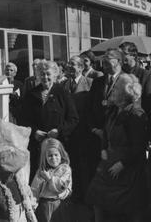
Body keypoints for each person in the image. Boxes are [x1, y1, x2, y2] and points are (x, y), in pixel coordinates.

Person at [86, 73, 148, 222]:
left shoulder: (135, 114)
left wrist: (122, 164)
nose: (112, 92)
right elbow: (106, 133)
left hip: (127, 168)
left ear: (124, 94)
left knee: (123, 208)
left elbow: (139, 146)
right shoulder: (113, 111)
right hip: (109, 162)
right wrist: (103, 149)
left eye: (115, 90)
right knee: (96, 197)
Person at [20, 60, 79, 179]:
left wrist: (59, 131)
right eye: (42, 74)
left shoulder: (62, 92)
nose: (45, 77)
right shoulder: (31, 94)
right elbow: (23, 119)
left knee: (58, 179)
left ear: (55, 74)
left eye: (48, 74)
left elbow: (73, 119)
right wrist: (34, 131)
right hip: (38, 146)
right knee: (39, 178)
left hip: (58, 146)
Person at [62, 55, 94, 202]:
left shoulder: (90, 83)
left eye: (73, 64)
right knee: (71, 163)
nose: (69, 66)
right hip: (69, 133)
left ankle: (87, 196)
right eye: (68, 64)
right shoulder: (63, 85)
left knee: (85, 165)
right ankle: (73, 193)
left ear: (81, 67)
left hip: (84, 132)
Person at [0, 143, 37, 222]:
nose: (12, 173)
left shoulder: (16, 181)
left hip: (20, 217)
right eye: (8, 171)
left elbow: (24, 197)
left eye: (14, 170)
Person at [88, 48, 124, 144]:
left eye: (108, 60)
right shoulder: (97, 82)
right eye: (103, 61)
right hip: (98, 134)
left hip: (118, 136)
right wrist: (94, 129)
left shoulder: (128, 81)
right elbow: (90, 106)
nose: (104, 65)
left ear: (119, 61)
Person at [31, 138, 72, 222]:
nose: (53, 158)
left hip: (59, 204)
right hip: (44, 206)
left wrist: (49, 179)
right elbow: (34, 189)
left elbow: (62, 187)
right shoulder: (41, 172)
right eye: (50, 156)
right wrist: (32, 205)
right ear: (44, 157)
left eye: (56, 155)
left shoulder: (65, 169)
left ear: (61, 154)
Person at [120, 42, 151, 137]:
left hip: (139, 123)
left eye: (123, 54)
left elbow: (149, 102)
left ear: (133, 55)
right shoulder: (118, 74)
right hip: (119, 126)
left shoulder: (146, 75)